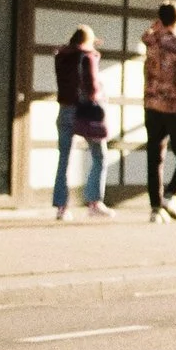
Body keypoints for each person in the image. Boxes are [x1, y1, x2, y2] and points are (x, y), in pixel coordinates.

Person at [140, 1, 176, 223]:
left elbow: (146, 35)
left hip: (151, 107)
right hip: (174, 108)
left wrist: (154, 27)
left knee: (154, 157)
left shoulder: (151, 42)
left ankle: (155, 209)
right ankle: (171, 195)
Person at [51, 25, 113, 220]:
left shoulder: (61, 56)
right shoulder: (87, 56)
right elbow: (92, 84)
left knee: (64, 159)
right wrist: (99, 97)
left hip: (65, 110)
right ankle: (94, 202)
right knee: (99, 155)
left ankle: (61, 207)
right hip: (85, 111)